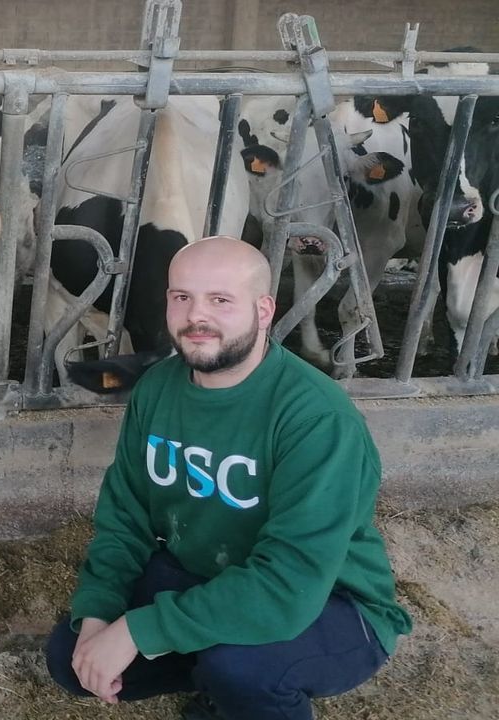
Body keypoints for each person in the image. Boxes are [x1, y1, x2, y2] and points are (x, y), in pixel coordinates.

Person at [45, 235, 412, 720]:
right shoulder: (158, 387)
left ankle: (229, 682)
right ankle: (210, 673)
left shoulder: (316, 418)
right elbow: (124, 519)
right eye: (182, 297)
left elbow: (288, 583)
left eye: (221, 299)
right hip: (205, 571)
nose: (197, 317)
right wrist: (98, 616)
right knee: (70, 660)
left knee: (240, 667)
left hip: (330, 601)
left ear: (263, 310)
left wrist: (137, 631)